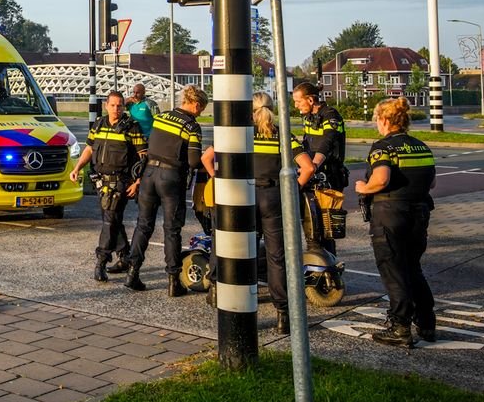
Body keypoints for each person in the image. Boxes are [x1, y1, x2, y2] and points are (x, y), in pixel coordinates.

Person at [203, 92, 314, 333]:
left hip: (245, 196)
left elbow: (206, 158)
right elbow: (308, 167)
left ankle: (238, 299)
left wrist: (221, 180)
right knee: (277, 256)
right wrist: (292, 189)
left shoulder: (239, 132)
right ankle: (283, 313)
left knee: (241, 250)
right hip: (274, 198)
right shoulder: (283, 136)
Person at [355, 97, 437, 347]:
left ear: (385, 120)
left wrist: (364, 187)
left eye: (377, 120)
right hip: (419, 213)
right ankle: (426, 322)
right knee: (413, 268)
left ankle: (400, 327)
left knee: (393, 270)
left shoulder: (383, 147)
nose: (377, 125)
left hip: (390, 214)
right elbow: (431, 183)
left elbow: (381, 178)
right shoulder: (421, 146)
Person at [124, 85, 208, 295]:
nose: (201, 113)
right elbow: (193, 161)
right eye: (202, 109)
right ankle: (173, 281)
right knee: (171, 230)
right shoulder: (191, 126)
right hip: (171, 178)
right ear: (196, 105)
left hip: (149, 174)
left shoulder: (161, 117)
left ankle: (132, 274)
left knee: (143, 225)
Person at [69, 91, 147, 282]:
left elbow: (144, 156)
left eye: (120, 105)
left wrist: (138, 182)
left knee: (109, 220)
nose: (116, 109)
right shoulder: (98, 124)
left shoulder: (132, 127)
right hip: (100, 181)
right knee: (113, 220)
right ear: (106, 105)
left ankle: (101, 261)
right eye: (113, 105)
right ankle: (125, 257)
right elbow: (89, 148)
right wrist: (77, 168)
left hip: (120, 182)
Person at [292, 81, 347, 253]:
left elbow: (327, 143)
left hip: (329, 178)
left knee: (326, 228)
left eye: (298, 101)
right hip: (312, 177)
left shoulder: (331, 115)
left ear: (310, 100)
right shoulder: (309, 117)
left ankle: (329, 265)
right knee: (311, 226)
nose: (296, 105)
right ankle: (316, 260)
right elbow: (307, 144)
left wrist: (313, 165)